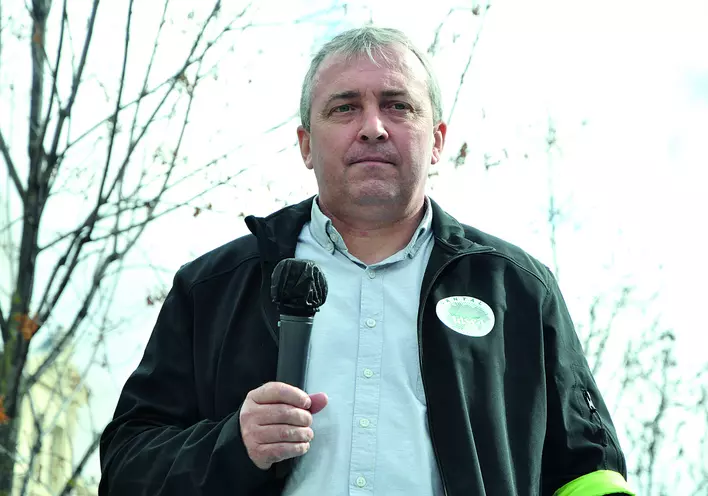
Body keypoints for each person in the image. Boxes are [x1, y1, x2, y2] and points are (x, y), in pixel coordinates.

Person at [99, 26, 635, 496]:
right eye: (344, 107)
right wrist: (233, 445)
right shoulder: (213, 288)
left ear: (437, 142)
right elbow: (125, 468)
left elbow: (588, 474)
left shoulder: (518, 291)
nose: (373, 126)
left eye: (398, 105)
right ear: (306, 145)